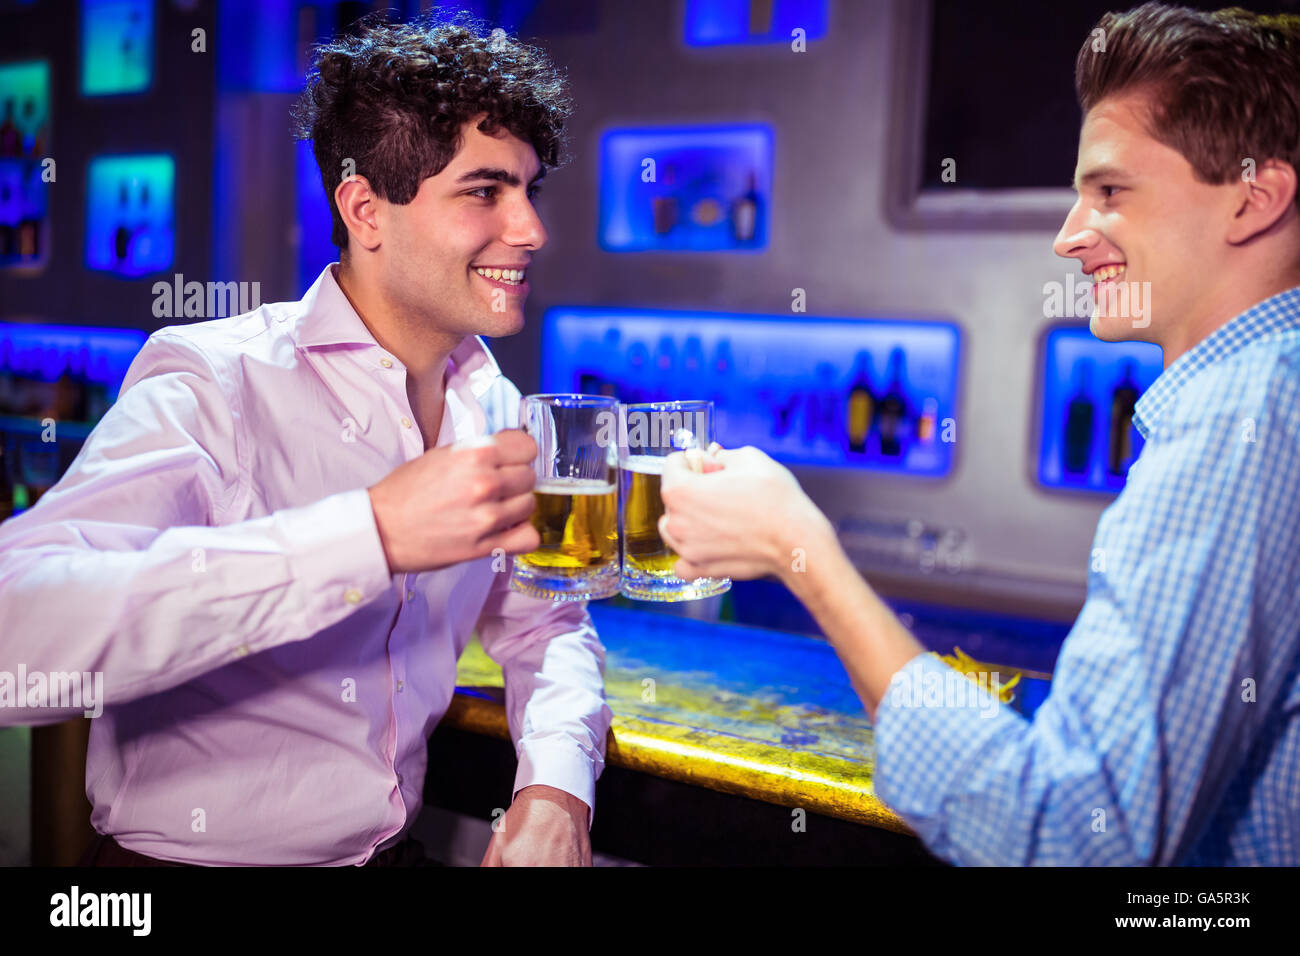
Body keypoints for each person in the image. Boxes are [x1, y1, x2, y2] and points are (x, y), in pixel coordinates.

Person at [659, 3, 1300, 865]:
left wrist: (799, 547)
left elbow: (1069, 840)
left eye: (1110, 192)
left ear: (1253, 199)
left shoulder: (1238, 418)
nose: (1071, 237)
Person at [0, 14, 612, 866]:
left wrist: (555, 790)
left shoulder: (492, 401)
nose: (531, 229)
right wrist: (369, 535)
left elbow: (543, 626)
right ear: (365, 208)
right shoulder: (216, 381)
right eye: (484, 191)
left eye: (528, 189)